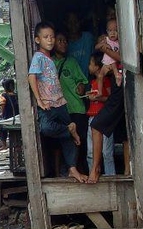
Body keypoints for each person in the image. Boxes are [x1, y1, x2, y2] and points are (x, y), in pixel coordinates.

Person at [27, 21, 86, 183]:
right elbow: (31, 76)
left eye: (52, 37)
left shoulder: (50, 59)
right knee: (46, 128)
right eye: (46, 37)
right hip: (48, 104)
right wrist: (39, 100)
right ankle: (69, 129)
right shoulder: (38, 57)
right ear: (37, 40)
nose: (50, 40)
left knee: (69, 140)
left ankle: (72, 169)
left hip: (61, 103)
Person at [54, 31, 90, 175]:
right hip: (60, 110)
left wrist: (81, 86)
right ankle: (59, 174)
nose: (64, 43)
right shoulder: (49, 63)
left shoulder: (72, 62)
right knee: (60, 143)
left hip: (76, 108)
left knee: (79, 141)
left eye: (65, 41)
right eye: (60, 40)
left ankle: (80, 170)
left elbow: (82, 81)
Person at [88, 65, 124, 184]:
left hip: (120, 87)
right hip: (120, 84)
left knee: (96, 126)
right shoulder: (102, 76)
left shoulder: (110, 76)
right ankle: (97, 168)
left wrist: (105, 49)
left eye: (91, 63)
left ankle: (97, 169)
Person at [86, 53, 115, 176]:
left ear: (97, 67)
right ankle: (93, 173)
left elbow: (110, 98)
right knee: (90, 151)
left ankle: (110, 176)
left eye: (90, 63)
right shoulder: (92, 82)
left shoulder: (107, 81)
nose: (88, 66)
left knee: (107, 152)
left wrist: (98, 98)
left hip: (105, 118)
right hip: (92, 117)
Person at [64, 11, 94, 80]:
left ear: (80, 22)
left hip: (90, 82)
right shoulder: (64, 44)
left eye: (75, 21)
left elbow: (95, 57)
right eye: (70, 22)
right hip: (72, 86)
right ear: (66, 24)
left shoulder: (88, 38)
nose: (73, 25)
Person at [0, 78, 19, 151]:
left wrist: (1, 113)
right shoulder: (16, 95)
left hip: (8, 118)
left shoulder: (3, 95)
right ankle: (18, 144)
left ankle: (4, 145)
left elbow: (2, 106)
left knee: (1, 127)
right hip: (17, 118)